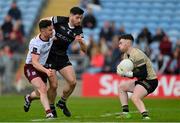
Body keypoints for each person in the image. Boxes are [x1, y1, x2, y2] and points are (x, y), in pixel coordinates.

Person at [42, 7, 87, 117]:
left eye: (81, 18)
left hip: (62, 57)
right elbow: (42, 22)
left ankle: (62, 102)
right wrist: (50, 34)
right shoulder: (59, 20)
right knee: (54, 85)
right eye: (77, 17)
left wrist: (81, 42)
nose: (79, 20)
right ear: (71, 16)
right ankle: (52, 108)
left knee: (73, 82)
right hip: (49, 56)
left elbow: (85, 50)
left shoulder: (78, 29)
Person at [117, 34, 158, 120]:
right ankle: (125, 113)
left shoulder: (137, 54)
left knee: (135, 97)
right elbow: (133, 75)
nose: (119, 45)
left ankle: (145, 116)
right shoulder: (126, 55)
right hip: (142, 80)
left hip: (150, 80)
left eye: (121, 43)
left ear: (127, 43)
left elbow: (144, 73)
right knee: (121, 87)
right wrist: (124, 73)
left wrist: (129, 74)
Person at [23, 20, 55, 118]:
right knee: (42, 88)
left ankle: (29, 98)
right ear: (43, 30)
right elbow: (35, 62)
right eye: (50, 30)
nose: (52, 31)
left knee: (40, 92)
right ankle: (49, 113)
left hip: (42, 67)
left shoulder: (51, 35)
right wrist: (46, 70)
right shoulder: (35, 43)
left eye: (52, 29)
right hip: (31, 67)